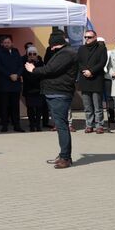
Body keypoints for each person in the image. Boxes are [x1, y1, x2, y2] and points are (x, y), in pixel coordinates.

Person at [26, 33, 78, 168]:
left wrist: (33, 70)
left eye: (52, 46)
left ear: (56, 43)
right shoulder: (63, 52)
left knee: (61, 126)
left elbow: (50, 69)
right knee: (61, 125)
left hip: (59, 93)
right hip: (56, 92)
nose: (51, 48)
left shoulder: (66, 53)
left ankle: (65, 158)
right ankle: (63, 155)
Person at [0, 35, 25, 133]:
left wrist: (17, 75)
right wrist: (9, 75)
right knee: (4, 106)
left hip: (15, 83)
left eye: (8, 42)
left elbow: (21, 65)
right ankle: (4, 125)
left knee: (15, 106)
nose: (6, 44)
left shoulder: (16, 52)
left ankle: (17, 125)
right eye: (5, 43)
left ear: (11, 43)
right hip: (4, 83)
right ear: (2, 44)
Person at [76, 30, 108, 134]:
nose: (87, 39)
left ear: (95, 37)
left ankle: (99, 125)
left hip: (96, 79)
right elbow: (79, 62)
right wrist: (85, 71)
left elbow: (102, 62)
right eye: (85, 37)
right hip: (85, 79)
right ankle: (89, 125)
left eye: (89, 37)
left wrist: (91, 71)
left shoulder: (101, 48)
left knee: (97, 105)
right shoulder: (81, 48)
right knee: (87, 106)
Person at [23, 43, 48, 131]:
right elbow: (26, 76)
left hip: (38, 89)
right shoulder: (25, 63)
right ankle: (32, 125)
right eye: (30, 54)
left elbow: (42, 74)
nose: (32, 56)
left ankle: (38, 125)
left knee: (39, 108)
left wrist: (35, 67)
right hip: (29, 89)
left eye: (34, 54)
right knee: (30, 108)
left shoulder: (40, 63)